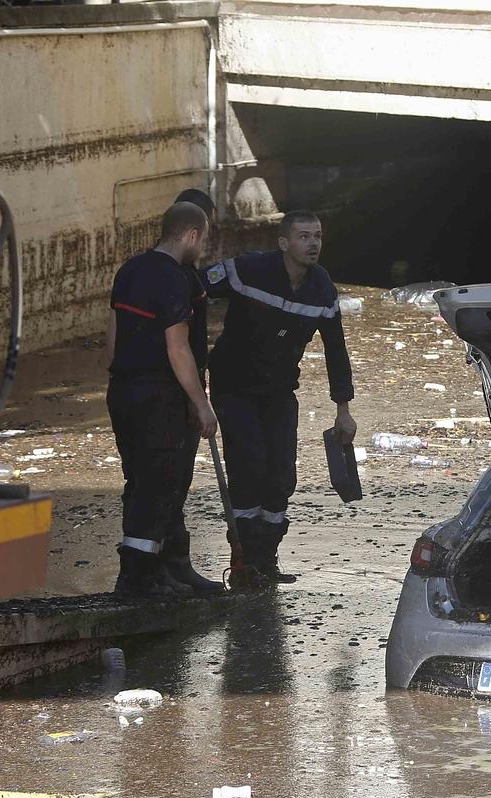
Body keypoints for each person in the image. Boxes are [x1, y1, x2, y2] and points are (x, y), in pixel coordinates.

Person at [203, 210, 357, 583]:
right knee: (249, 465)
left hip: (279, 389)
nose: (313, 243)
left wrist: (343, 409)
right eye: (304, 237)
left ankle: (266, 557)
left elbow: (337, 350)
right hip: (234, 386)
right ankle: (244, 560)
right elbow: (194, 291)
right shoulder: (249, 270)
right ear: (284, 243)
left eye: (317, 236)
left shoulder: (322, 289)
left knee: (282, 473)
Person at [105, 201, 219, 597]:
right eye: (202, 240)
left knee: (139, 479)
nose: (201, 249)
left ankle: (163, 571)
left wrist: (121, 381)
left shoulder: (129, 270)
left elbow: (114, 337)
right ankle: (138, 578)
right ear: (190, 235)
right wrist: (200, 402)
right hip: (159, 394)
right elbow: (178, 349)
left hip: (123, 390)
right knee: (161, 483)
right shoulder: (174, 279)